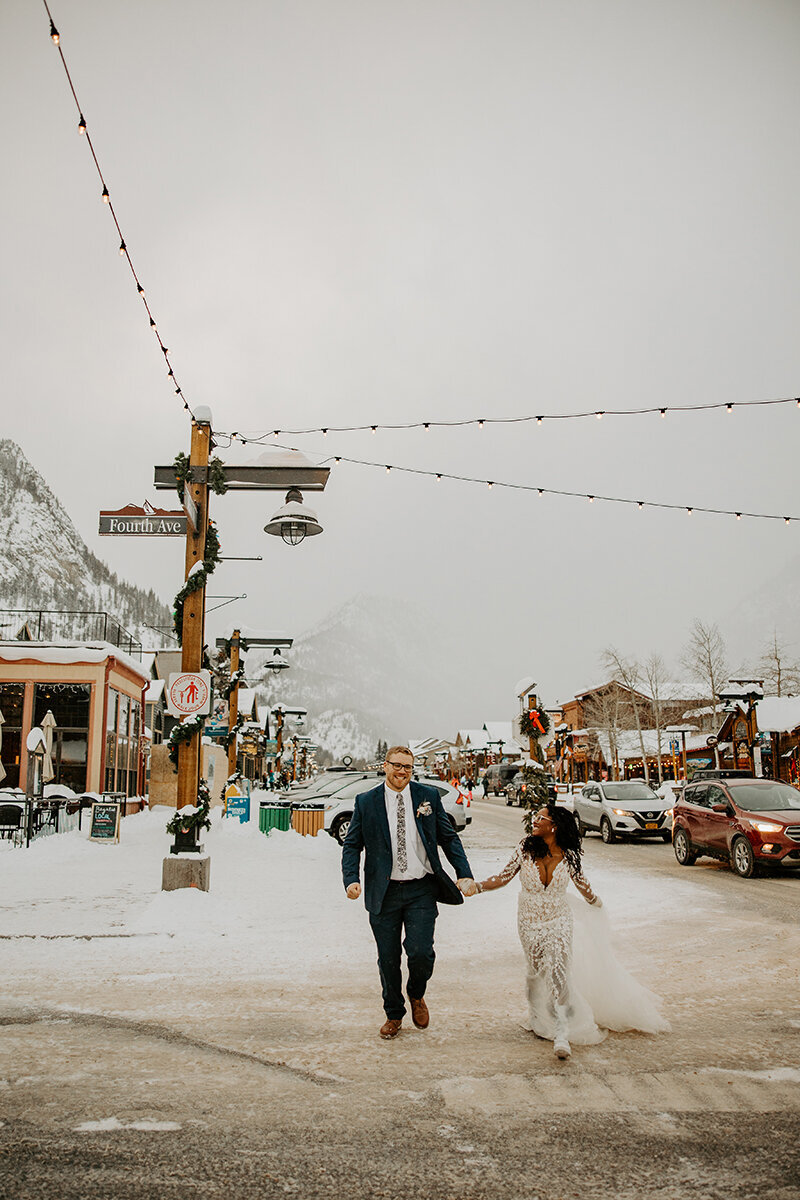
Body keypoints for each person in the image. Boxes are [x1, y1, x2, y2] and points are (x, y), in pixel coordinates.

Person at [472, 803, 669, 1060]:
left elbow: (581, 883)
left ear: (553, 826)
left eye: (539, 818)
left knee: (558, 971)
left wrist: (595, 902)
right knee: (535, 972)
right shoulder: (525, 847)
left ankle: (562, 1032)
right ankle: (538, 1019)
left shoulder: (570, 856)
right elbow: (503, 877)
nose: (534, 821)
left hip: (559, 918)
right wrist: (477, 886)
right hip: (529, 919)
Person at [342, 745, 476, 1040]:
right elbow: (352, 844)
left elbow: (448, 837)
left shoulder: (427, 797)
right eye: (397, 765)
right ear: (385, 766)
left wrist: (463, 872)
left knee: (420, 953)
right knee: (388, 958)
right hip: (384, 891)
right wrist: (351, 878)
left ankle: (417, 994)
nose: (402, 771)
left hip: (421, 889)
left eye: (408, 767)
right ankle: (393, 1013)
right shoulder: (366, 802)